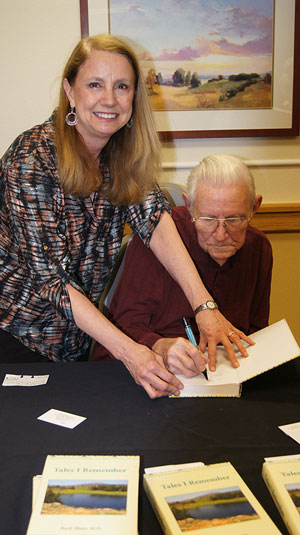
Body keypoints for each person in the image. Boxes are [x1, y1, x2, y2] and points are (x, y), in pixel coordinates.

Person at [0, 34, 251, 398]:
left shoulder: (121, 154)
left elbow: (154, 221)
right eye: (95, 85)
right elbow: (52, 281)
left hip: (75, 344)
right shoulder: (31, 158)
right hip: (13, 338)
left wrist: (204, 306)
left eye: (122, 86)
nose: (110, 100)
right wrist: (131, 352)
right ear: (70, 91)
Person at [92, 154, 273, 375]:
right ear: (189, 206)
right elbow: (124, 328)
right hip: (153, 372)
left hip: (226, 375)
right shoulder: (159, 239)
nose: (220, 234)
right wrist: (161, 346)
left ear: (255, 207)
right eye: (208, 219)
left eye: (234, 219)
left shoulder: (259, 247)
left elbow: (256, 330)